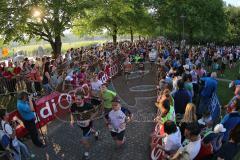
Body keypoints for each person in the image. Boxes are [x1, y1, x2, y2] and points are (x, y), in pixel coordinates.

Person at [70, 91, 99, 160]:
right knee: (90, 131)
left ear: (83, 99)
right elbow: (72, 113)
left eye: (78, 99)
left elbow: (96, 112)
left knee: (84, 141)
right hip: (80, 124)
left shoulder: (88, 105)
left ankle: (86, 153)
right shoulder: (73, 105)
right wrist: (72, 120)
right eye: (75, 99)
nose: (76, 101)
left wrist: (90, 119)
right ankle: (96, 133)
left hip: (88, 124)